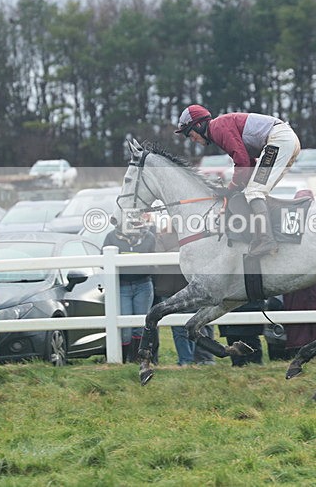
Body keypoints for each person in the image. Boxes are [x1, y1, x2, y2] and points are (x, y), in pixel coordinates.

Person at [174, 104, 301, 257]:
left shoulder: (218, 128)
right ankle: (266, 234)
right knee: (256, 191)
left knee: (255, 191)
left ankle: (267, 240)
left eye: (189, 134)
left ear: (199, 125)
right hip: (285, 140)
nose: (192, 139)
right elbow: (250, 164)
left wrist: (231, 187)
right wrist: (237, 187)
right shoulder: (218, 129)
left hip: (279, 140)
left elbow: (242, 162)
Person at [153, 220, 214, 366]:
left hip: (190, 286)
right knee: (177, 328)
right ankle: (185, 359)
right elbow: (159, 257)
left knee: (195, 324)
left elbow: (199, 256)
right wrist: (183, 250)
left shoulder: (194, 235)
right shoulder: (163, 236)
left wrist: (177, 251)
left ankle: (196, 358)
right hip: (170, 287)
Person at [102, 224, 156, 363]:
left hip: (143, 283)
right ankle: (123, 358)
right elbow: (103, 261)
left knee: (141, 325)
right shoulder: (111, 237)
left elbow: (156, 260)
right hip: (122, 285)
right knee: (125, 328)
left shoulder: (149, 237)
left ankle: (137, 359)